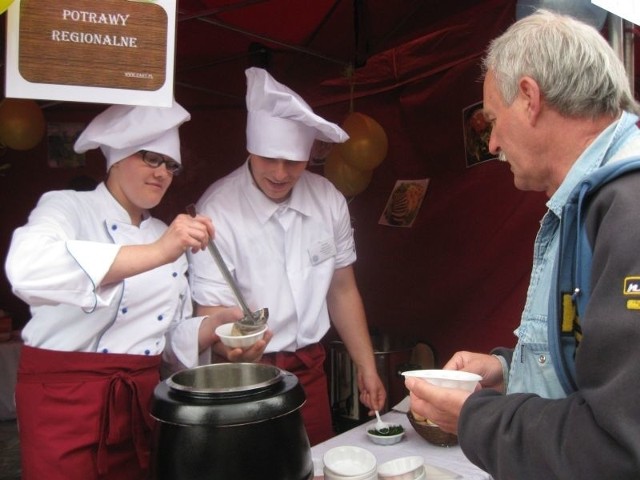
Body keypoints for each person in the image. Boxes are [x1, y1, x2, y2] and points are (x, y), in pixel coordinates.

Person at [404, 9, 640, 480]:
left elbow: (619, 448)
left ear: (529, 98)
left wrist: (475, 415)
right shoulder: (585, 201)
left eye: (492, 119)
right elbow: (596, 366)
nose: (491, 143)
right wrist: (507, 369)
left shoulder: (629, 209)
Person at [4, 101, 269, 480]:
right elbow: (27, 269)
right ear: (115, 159)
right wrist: (158, 253)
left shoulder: (165, 233)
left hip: (140, 403)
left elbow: (166, 336)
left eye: (171, 165)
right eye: (151, 159)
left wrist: (215, 327)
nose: (163, 173)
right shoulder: (67, 208)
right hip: (62, 402)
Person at [188, 67, 387, 445]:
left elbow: (342, 289)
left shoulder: (328, 199)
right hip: (244, 375)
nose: (280, 174)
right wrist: (228, 346)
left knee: (312, 465)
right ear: (250, 149)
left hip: (310, 371)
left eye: (294, 162)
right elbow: (207, 313)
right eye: (269, 159)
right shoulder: (219, 210)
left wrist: (367, 366)